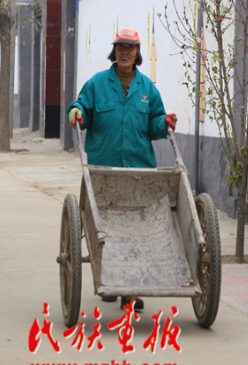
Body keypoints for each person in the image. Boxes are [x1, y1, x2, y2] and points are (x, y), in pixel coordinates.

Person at [66, 28, 177, 310]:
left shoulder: (147, 88)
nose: (125, 52)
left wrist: (164, 122)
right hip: (104, 172)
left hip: (138, 173)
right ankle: (109, 279)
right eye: (120, 47)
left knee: (136, 232)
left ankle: (129, 291)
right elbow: (81, 106)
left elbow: (154, 123)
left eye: (130, 47)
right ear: (114, 52)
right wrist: (76, 111)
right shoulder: (97, 83)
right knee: (107, 228)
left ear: (137, 53)